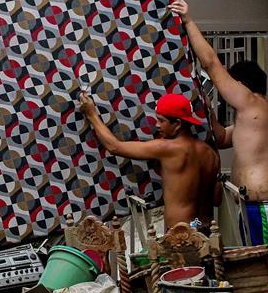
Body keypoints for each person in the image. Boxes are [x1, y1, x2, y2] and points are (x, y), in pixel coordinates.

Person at [170, 0, 268, 245]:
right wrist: (205, 105)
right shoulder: (267, 114)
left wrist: (188, 21)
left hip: (265, 208)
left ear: (242, 86)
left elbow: (211, 64)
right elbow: (221, 138)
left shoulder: (249, 102)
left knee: (264, 273)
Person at [78, 92, 220, 231]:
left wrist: (91, 114)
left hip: (180, 234)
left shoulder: (167, 148)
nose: (157, 125)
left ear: (177, 124)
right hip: (205, 227)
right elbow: (216, 199)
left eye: (161, 120)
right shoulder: (210, 153)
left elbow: (115, 147)